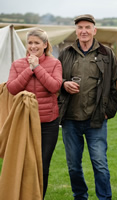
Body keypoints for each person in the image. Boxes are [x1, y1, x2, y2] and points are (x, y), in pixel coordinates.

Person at [58, 14, 117, 200]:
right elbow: (54, 80)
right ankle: (80, 196)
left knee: (100, 163)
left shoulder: (106, 54)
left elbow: (115, 84)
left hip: (96, 120)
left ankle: (104, 198)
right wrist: (63, 84)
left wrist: (108, 111)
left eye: (87, 27)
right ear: (76, 31)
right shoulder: (66, 53)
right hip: (70, 119)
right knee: (73, 166)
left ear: (94, 30)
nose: (83, 31)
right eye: (80, 28)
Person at [6, 28, 62, 198]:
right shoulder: (17, 64)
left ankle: (39, 197)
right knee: (24, 164)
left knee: (43, 165)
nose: (32, 46)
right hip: (25, 123)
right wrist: (29, 69)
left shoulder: (55, 64)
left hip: (48, 123)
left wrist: (37, 67)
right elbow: (12, 88)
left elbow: (54, 86)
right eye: (30, 42)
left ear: (45, 45)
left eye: (37, 43)